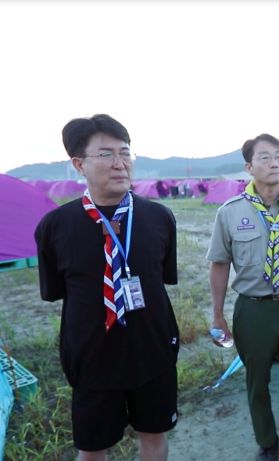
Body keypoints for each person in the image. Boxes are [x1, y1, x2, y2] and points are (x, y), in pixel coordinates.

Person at [35, 114, 180, 461]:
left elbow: (161, 279)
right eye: (105, 154)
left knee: (154, 437)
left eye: (125, 152)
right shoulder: (54, 226)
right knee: (92, 448)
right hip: (91, 356)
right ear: (78, 163)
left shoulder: (160, 217)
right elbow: (56, 291)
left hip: (153, 351)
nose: (120, 163)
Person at [207, 133, 279, 461]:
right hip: (253, 308)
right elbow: (219, 264)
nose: (275, 162)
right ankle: (268, 443)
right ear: (249, 167)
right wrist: (217, 314)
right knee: (256, 381)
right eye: (265, 157)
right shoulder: (229, 212)